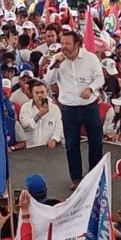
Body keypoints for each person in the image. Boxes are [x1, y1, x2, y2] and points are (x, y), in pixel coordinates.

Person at [43, 31, 104, 189]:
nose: (64, 47)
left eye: (68, 44)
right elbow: (48, 80)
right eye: (62, 43)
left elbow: (100, 78)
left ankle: (94, 176)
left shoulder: (91, 58)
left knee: (96, 143)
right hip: (69, 108)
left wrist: (90, 88)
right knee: (71, 144)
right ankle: (76, 179)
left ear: (77, 44)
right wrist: (56, 64)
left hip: (89, 106)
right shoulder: (58, 59)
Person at [18, 80, 63, 147]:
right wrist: (39, 115)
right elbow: (26, 127)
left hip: (49, 148)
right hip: (30, 148)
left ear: (46, 93)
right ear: (32, 94)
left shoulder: (55, 108)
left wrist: (54, 139)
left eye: (42, 92)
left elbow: (59, 127)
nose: (40, 95)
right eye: (37, 93)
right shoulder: (25, 107)